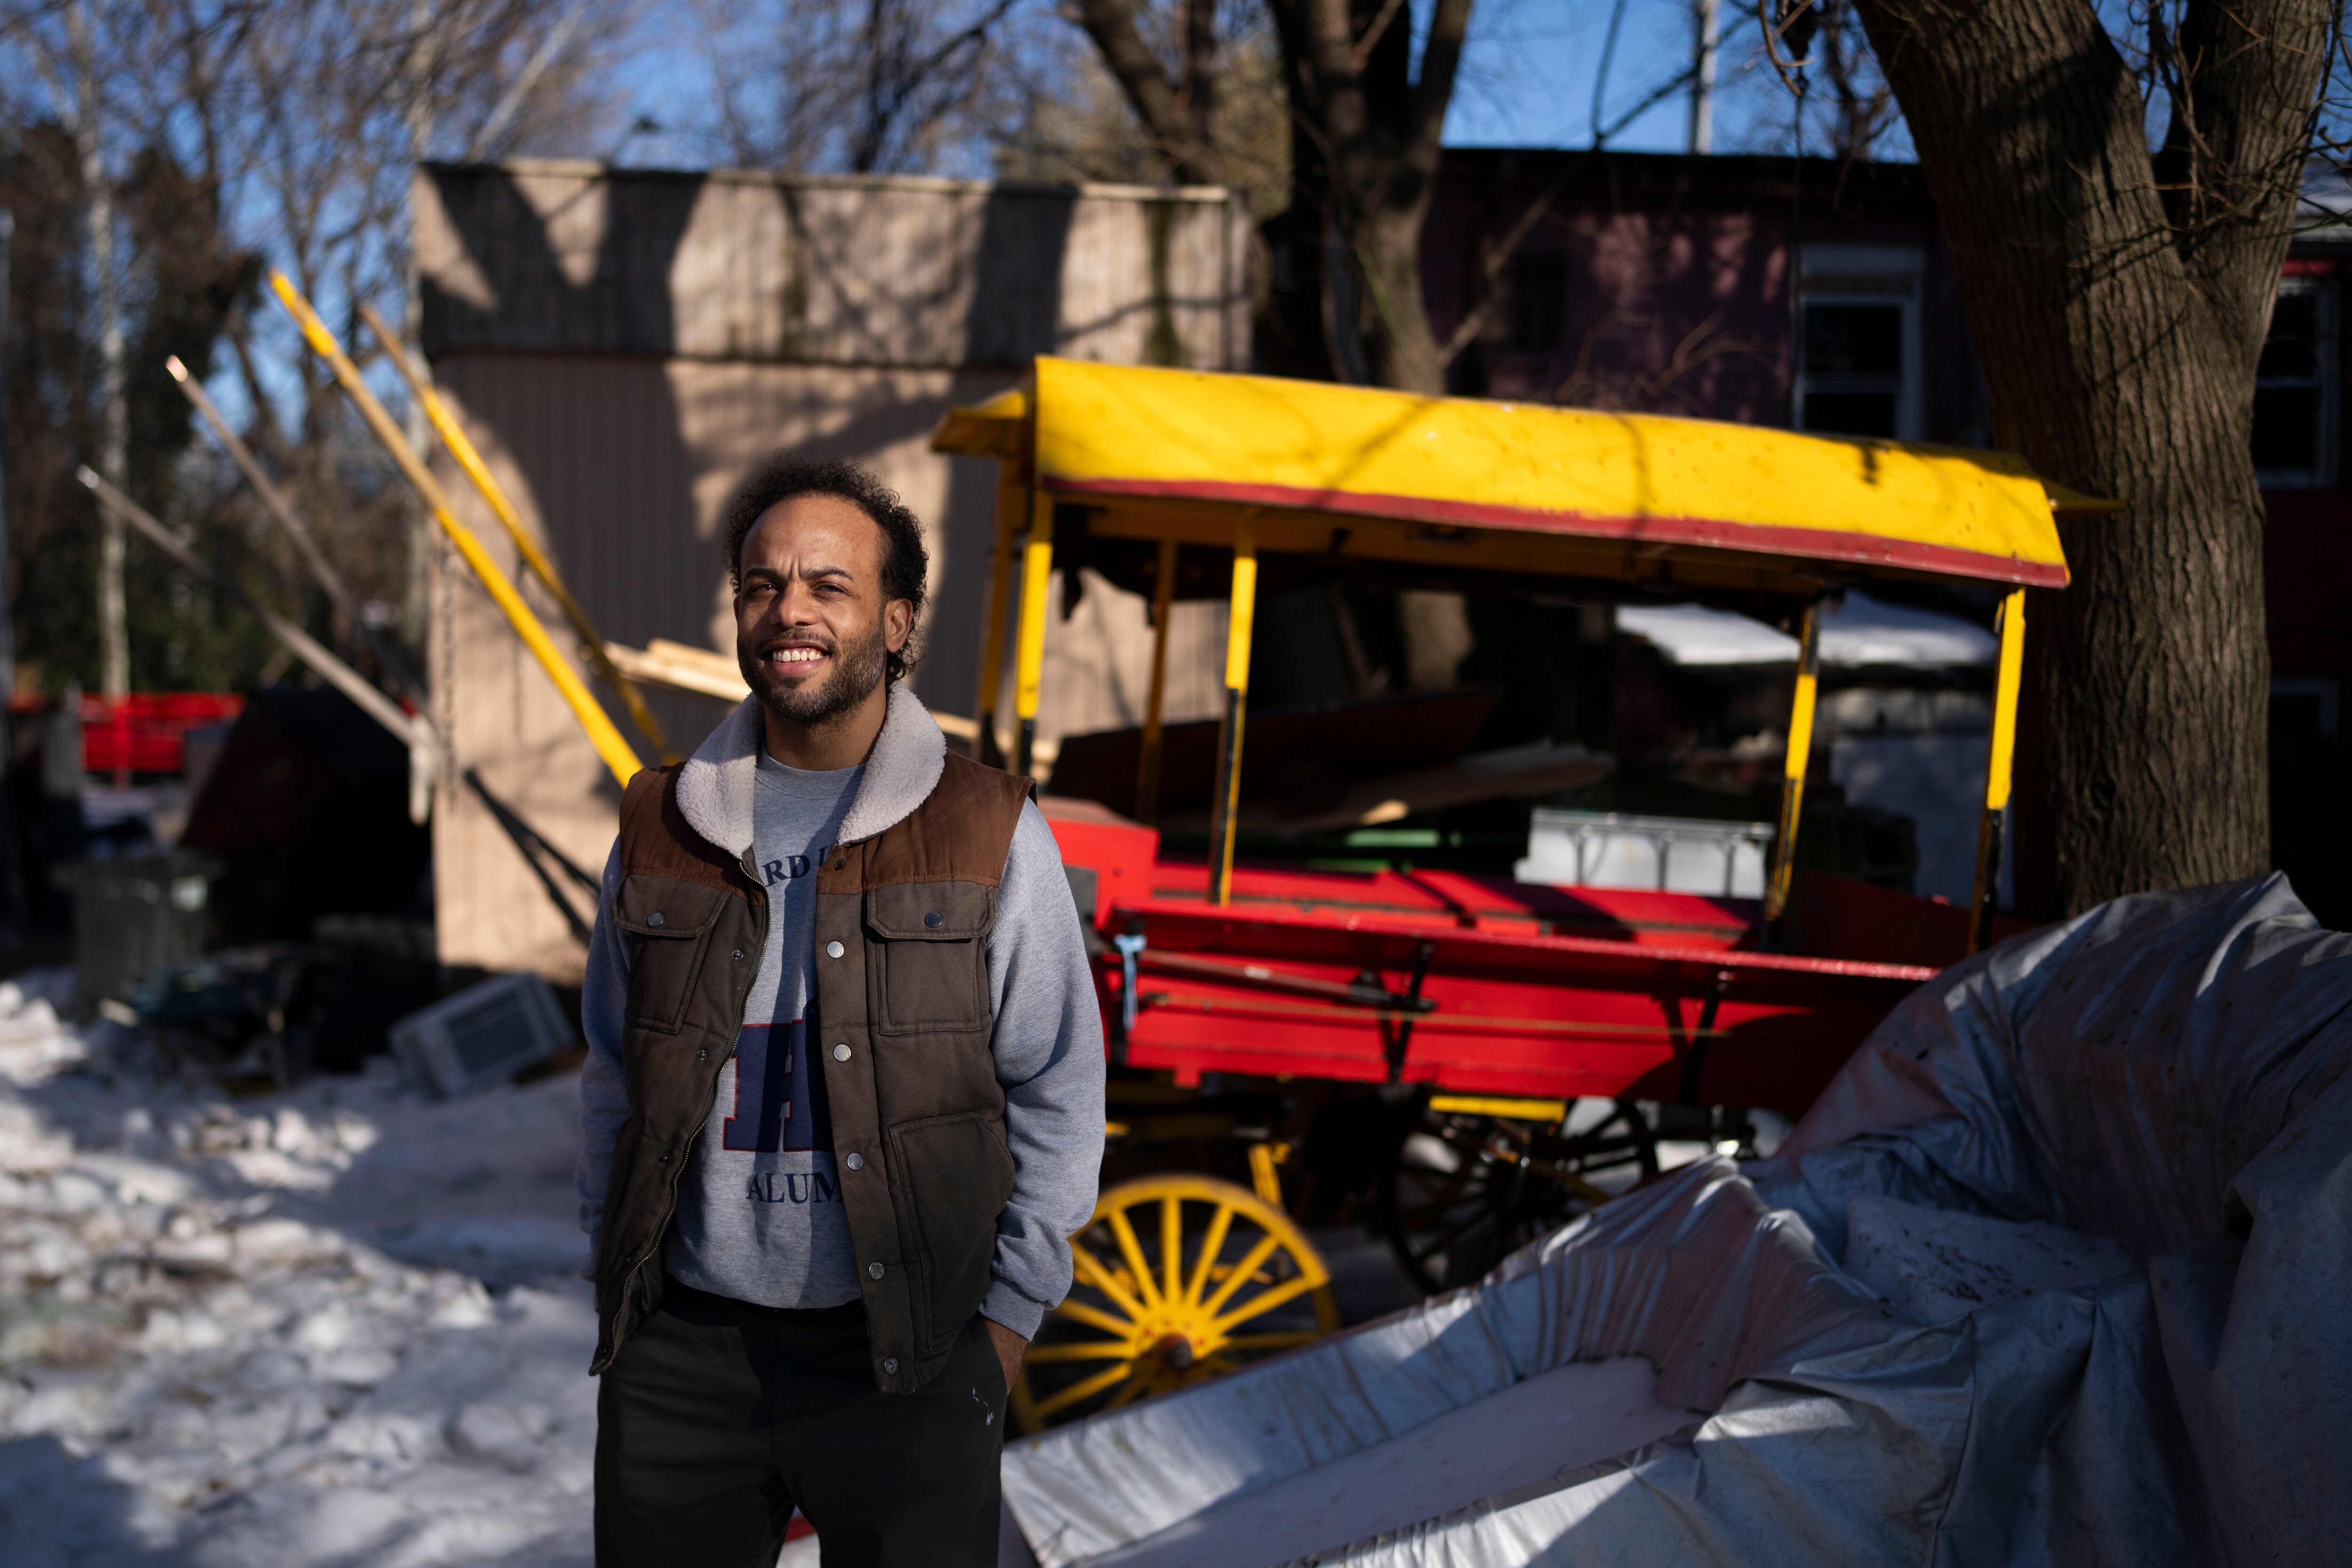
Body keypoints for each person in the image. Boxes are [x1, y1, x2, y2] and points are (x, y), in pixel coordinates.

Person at [576, 457, 1104, 1566]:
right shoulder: (661, 826)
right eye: (762, 585)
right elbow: (608, 1074)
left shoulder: (988, 828)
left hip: (910, 1348)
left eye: (829, 583)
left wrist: (1001, 1329)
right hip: (683, 1354)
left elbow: (1058, 1084)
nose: (790, 611)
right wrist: (616, 1282)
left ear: (896, 619)